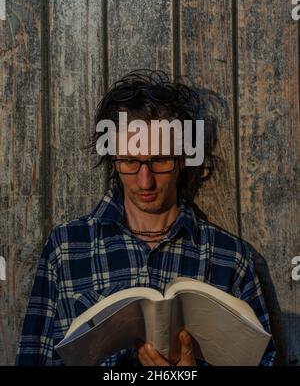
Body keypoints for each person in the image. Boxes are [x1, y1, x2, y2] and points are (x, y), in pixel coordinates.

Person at [16, 69, 276, 366]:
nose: (145, 181)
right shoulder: (66, 249)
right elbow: (31, 357)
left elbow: (263, 359)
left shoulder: (229, 258)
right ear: (113, 159)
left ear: (181, 159)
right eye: (129, 161)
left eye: (160, 161)